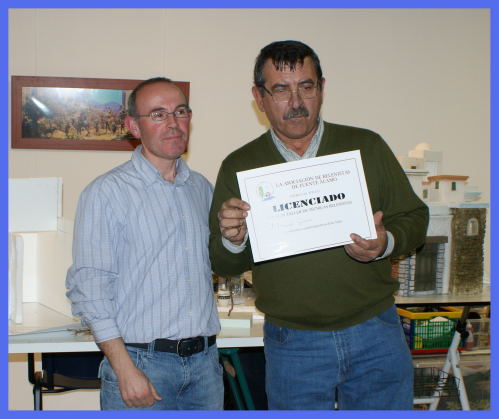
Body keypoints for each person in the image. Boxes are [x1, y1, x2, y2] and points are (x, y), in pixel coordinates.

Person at [209, 41, 429, 410]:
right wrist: (233, 239)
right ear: (259, 98)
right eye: (281, 89)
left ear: (322, 88)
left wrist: (386, 242)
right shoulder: (240, 166)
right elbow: (223, 263)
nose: (296, 101)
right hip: (293, 343)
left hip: (375, 330)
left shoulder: (367, 146)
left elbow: (415, 217)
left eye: (306, 87)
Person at [66, 77, 223, 410]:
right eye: (158, 114)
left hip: (205, 366)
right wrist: (124, 369)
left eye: (181, 112)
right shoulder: (105, 193)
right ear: (133, 127)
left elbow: (217, 262)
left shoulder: (202, 189)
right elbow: (90, 288)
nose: (173, 123)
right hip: (141, 364)